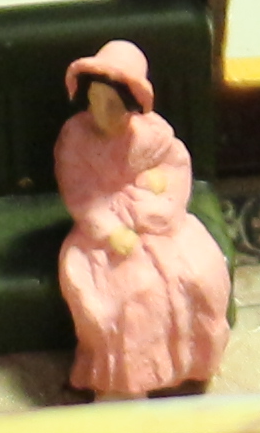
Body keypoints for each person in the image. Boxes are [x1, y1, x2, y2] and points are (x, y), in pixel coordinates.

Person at [53, 39, 228, 400]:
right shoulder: (75, 138)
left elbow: (175, 172)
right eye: (94, 101)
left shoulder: (154, 136)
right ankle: (122, 381)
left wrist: (158, 199)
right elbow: (80, 193)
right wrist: (111, 230)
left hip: (159, 226)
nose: (101, 113)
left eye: (113, 105)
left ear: (132, 106)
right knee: (133, 292)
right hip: (103, 234)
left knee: (199, 275)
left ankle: (190, 365)